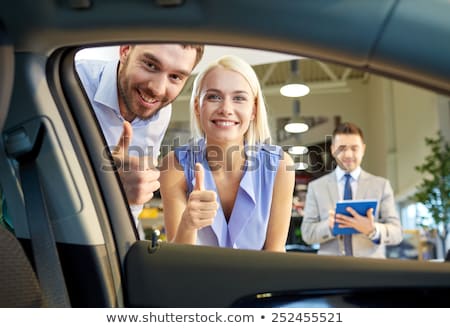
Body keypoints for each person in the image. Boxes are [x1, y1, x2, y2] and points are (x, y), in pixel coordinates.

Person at [159, 55, 295, 252]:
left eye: (239, 98)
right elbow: (177, 261)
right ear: (197, 107)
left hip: (260, 283)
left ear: (254, 109)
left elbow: (275, 254)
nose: (226, 109)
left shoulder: (280, 166)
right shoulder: (174, 166)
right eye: (214, 97)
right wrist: (188, 224)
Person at [76, 43, 204, 238]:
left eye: (175, 77)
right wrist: (106, 183)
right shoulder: (74, 81)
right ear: (125, 51)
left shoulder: (160, 111)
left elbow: (133, 202)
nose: (158, 89)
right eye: (151, 65)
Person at [301, 122, 402, 258]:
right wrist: (329, 226)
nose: (348, 154)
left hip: (371, 271)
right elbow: (307, 234)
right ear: (332, 149)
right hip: (331, 271)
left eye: (354, 148)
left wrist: (372, 229)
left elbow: (397, 233)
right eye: (341, 148)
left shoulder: (381, 186)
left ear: (363, 149)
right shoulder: (316, 187)